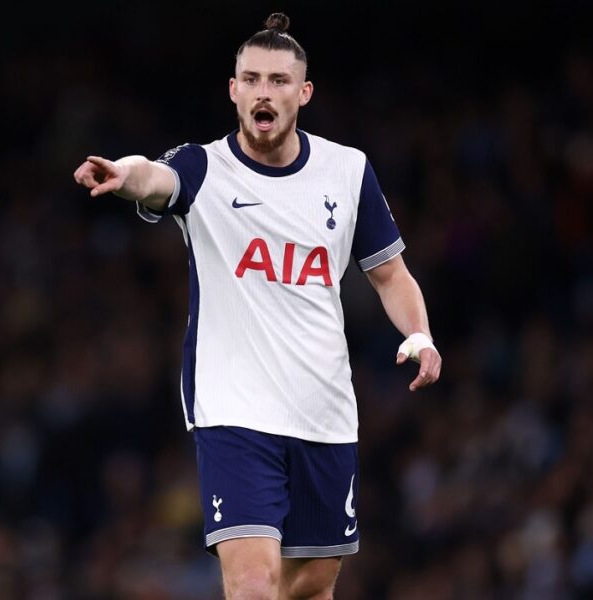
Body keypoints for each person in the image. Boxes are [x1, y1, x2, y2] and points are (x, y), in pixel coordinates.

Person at [74, 12, 442, 600]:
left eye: (277, 80)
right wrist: (124, 174)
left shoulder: (347, 171)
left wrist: (419, 335)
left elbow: (391, 274)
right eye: (251, 79)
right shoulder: (203, 168)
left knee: (313, 584)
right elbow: (156, 178)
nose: (263, 92)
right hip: (234, 408)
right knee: (251, 582)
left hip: (323, 408)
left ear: (304, 92)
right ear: (233, 90)